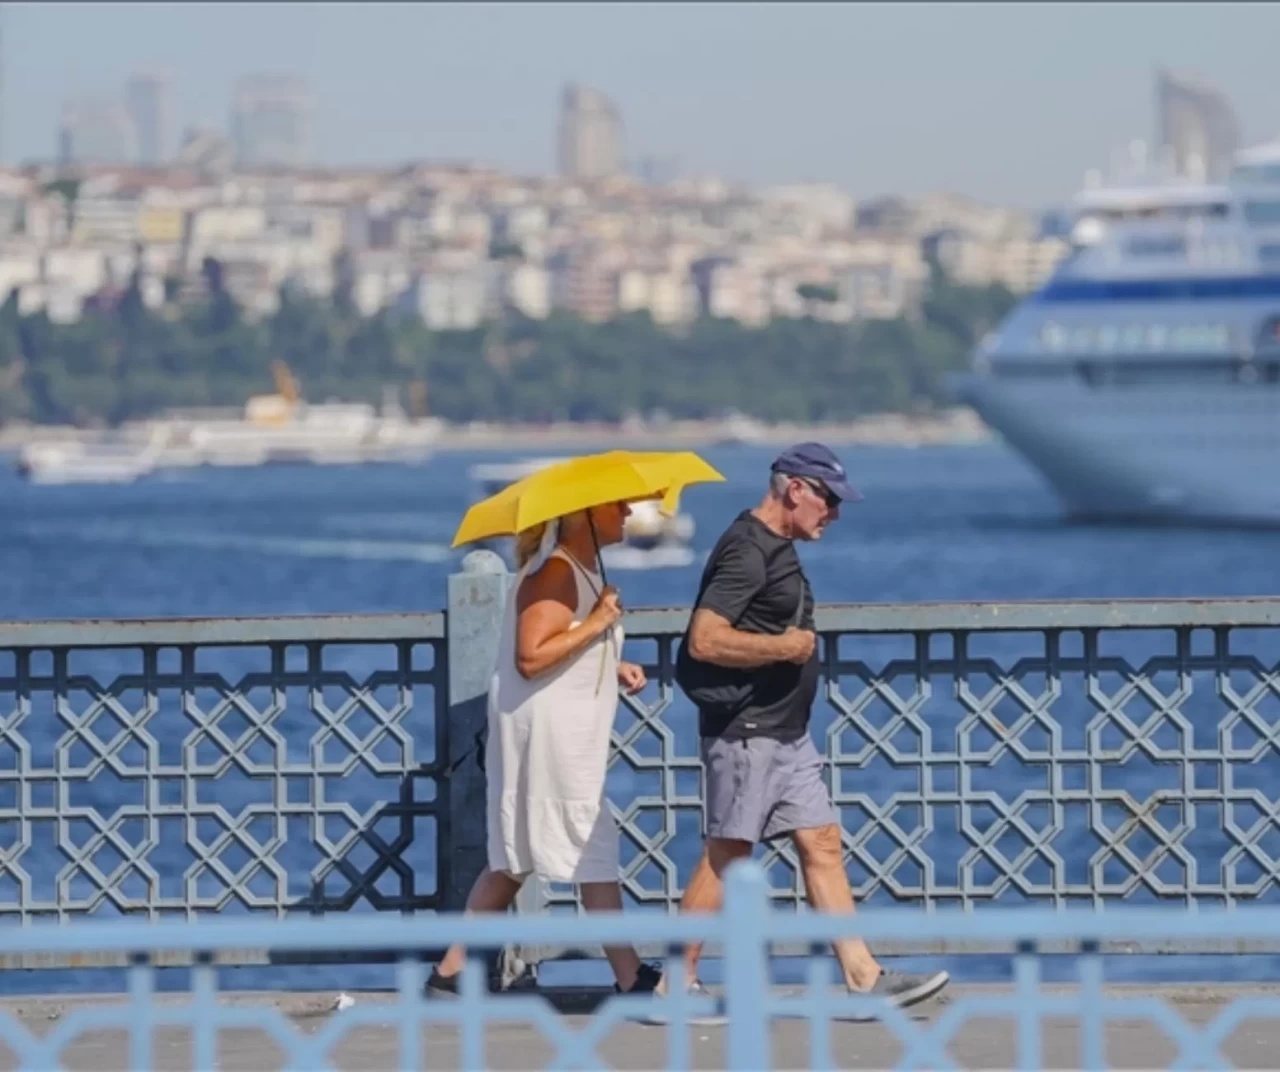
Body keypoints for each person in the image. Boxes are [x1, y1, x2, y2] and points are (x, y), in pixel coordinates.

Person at [668, 442, 950, 1010]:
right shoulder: (748, 551)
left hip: (786, 732)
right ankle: (676, 980)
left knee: (821, 842)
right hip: (747, 732)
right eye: (828, 500)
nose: (835, 514)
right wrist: (784, 647)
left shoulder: (776, 546)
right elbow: (703, 639)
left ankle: (863, 976)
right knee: (728, 855)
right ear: (795, 488)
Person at [427, 499, 662, 996]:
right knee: (589, 841)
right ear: (587, 515)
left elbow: (560, 641)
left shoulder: (578, 568)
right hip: (550, 735)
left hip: (556, 728)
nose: (626, 514)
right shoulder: (555, 571)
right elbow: (531, 657)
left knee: (514, 857)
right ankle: (630, 975)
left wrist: (612, 660)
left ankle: (448, 974)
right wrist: (599, 624)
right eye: (617, 507)